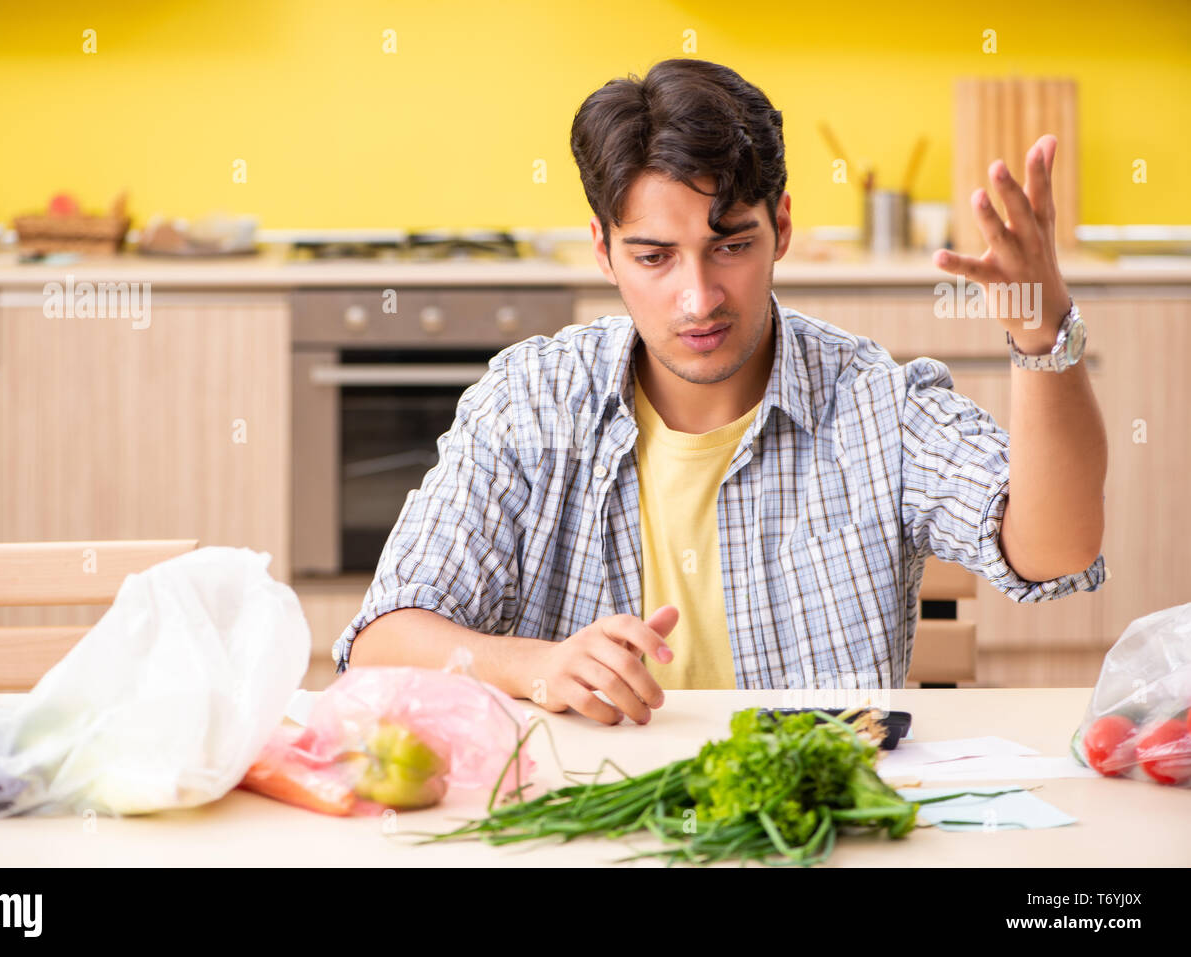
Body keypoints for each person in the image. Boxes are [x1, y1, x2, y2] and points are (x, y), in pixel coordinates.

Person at [334, 58, 1108, 726]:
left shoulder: (875, 403)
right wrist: (536, 665)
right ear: (604, 250)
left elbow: (1054, 550)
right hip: (582, 822)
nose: (698, 297)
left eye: (731, 245)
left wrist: (1043, 336)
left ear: (783, 227)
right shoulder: (532, 400)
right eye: (654, 257)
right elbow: (379, 647)